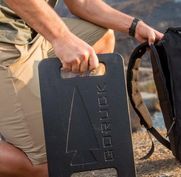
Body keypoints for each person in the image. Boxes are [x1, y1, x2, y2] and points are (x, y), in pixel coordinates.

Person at [0, 0, 164, 176]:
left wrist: (135, 26)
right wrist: (62, 38)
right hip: (7, 44)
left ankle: (71, 130)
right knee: (49, 164)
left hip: (32, 32)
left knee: (101, 37)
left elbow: (82, 2)